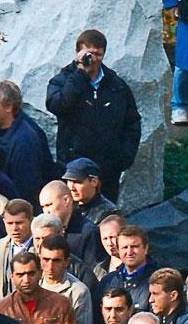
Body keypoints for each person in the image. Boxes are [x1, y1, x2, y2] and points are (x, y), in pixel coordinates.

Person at [45, 30, 142, 202]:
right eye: (89, 54)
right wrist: (80, 74)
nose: (94, 59)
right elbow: (57, 105)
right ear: (78, 53)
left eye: (98, 54)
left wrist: (124, 156)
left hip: (107, 170)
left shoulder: (116, 85)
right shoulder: (63, 80)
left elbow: (132, 122)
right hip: (74, 168)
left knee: (107, 213)